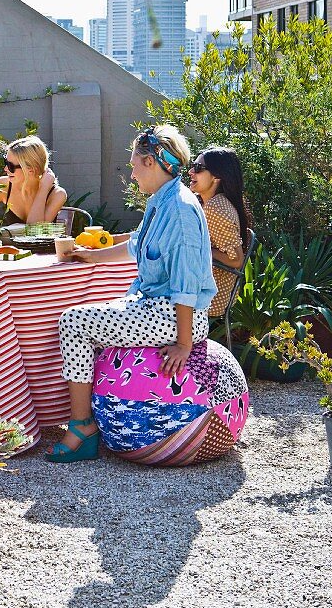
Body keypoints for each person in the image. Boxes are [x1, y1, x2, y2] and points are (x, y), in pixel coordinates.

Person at [46, 124, 216, 463]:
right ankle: (89, 419)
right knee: (83, 316)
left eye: (135, 162)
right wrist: (90, 255)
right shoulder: (162, 201)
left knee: (74, 322)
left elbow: (185, 285)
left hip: (175, 315)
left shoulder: (180, 210)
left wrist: (183, 344)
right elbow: (137, 245)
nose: (132, 171)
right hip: (157, 307)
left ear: (152, 162)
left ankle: (82, 427)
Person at [188, 147, 251, 320]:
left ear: (216, 177)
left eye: (198, 168)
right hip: (204, 291)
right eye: (193, 166)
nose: (191, 171)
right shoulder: (211, 204)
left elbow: (236, 260)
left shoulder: (216, 208)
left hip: (209, 298)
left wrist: (200, 249)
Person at [0, 136, 67, 228]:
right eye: (5, 162)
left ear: (31, 169)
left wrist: (43, 189)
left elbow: (35, 230)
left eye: (10, 166)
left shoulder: (57, 194)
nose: (5, 169)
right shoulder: (3, 185)